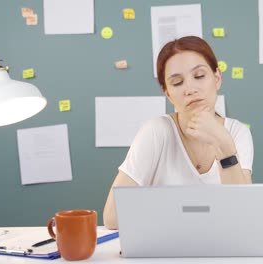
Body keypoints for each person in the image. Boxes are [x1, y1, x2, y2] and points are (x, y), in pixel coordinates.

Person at [103, 36, 253, 229]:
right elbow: (112, 218)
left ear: (217, 78)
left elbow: (244, 215)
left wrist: (224, 144)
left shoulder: (238, 133)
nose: (190, 89)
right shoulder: (156, 131)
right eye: (177, 83)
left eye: (199, 76)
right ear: (168, 94)